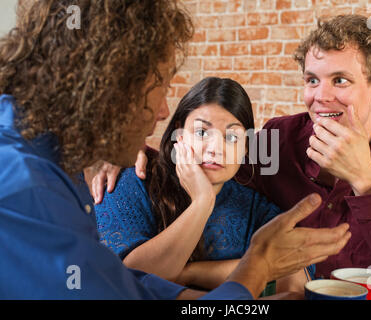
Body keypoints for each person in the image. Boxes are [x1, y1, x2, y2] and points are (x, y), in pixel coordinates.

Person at [0, 0, 351, 299]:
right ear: (108, 84)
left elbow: (119, 283)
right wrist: (255, 265)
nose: (163, 110)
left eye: (233, 136)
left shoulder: (57, 167)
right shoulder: (29, 189)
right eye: (159, 85)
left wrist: (191, 285)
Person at [95, 14, 371, 296]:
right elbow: (217, 163)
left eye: (340, 80)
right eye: (312, 80)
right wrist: (134, 152)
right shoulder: (278, 139)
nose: (321, 96)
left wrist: (366, 180)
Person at [94, 77, 315, 294]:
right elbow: (127, 277)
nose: (215, 149)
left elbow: (294, 281)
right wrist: (202, 202)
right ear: (179, 133)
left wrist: (189, 272)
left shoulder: (254, 207)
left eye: (232, 137)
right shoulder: (134, 181)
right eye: (201, 133)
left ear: (247, 146)